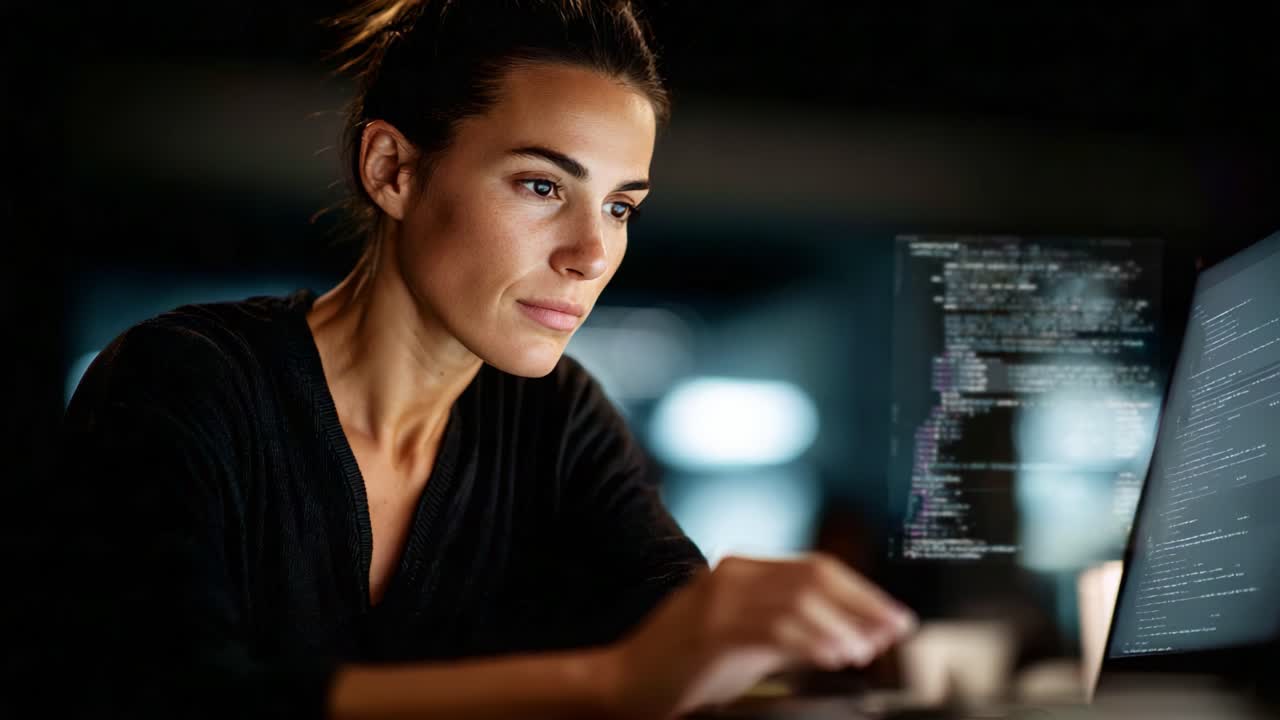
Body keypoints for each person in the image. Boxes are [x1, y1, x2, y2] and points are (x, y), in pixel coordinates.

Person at [51, 0, 917, 717]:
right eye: (544, 186)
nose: (591, 253)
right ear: (391, 169)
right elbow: (164, 695)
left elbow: (670, 626)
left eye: (620, 207)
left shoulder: (556, 414)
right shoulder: (181, 382)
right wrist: (609, 685)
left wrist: (815, 654)